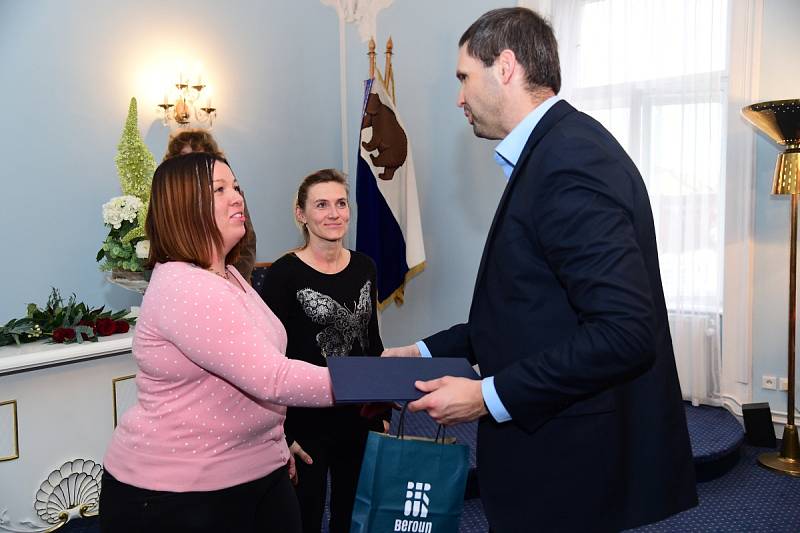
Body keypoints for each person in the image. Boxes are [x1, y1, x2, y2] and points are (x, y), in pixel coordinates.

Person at [383, 7, 697, 532]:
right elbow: (534, 308)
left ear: (505, 67)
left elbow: (624, 332)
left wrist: (486, 395)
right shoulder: (554, 149)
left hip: (569, 462)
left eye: (463, 77)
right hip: (555, 447)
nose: (458, 97)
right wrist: (423, 352)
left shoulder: (569, 158)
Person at [100, 152, 334, 533]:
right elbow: (273, 378)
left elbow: (254, 374)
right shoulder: (185, 285)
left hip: (256, 471)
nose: (237, 197)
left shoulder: (228, 276)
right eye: (219, 190)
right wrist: (373, 380)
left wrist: (274, 445)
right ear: (183, 207)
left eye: (237, 187)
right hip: (179, 491)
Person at [258, 168, 389, 533]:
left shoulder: (365, 266)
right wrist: (283, 435)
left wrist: (380, 408)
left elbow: (371, 343)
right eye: (321, 204)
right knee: (307, 517)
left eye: (341, 203)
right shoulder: (284, 274)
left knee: (353, 516)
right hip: (306, 423)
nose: (334, 213)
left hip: (358, 415)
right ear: (301, 214)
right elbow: (268, 361)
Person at [163, 129, 258, 283]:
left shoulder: (233, 197)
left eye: (200, 157)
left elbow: (247, 244)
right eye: (186, 158)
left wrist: (229, 280)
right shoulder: (168, 200)